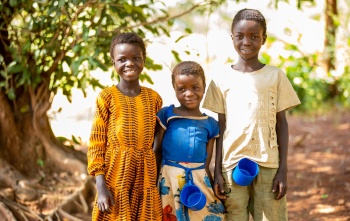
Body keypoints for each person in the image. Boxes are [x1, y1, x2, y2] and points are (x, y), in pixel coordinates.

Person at [202, 8, 301, 221]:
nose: (246, 41)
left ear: (263, 39)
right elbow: (221, 127)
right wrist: (217, 170)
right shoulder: (221, 78)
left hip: (269, 163)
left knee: (271, 216)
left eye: (254, 36)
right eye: (240, 36)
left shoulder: (275, 76)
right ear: (232, 38)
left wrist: (283, 169)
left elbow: (282, 123)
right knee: (234, 215)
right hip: (232, 163)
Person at [87, 32, 163, 221]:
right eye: (122, 59)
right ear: (114, 63)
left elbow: (158, 141)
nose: (129, 63)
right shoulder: (107, 97)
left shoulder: (153, 98)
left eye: (135, 58)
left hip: (146, 174)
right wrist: (100, 185)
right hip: (116, 173)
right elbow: (97, 142)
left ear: (143, 60)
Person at [153, 61, 225, 221]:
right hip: (169, 178)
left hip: (198, 179)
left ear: (204, 87)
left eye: (195, 87)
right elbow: (156, 150)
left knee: (212, 214)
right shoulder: (167, 115)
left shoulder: (211, 124)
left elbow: (206, 163)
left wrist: (213, 186)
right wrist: (153, 181)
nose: (189, 93)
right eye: (182, 89)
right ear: (174, 89)